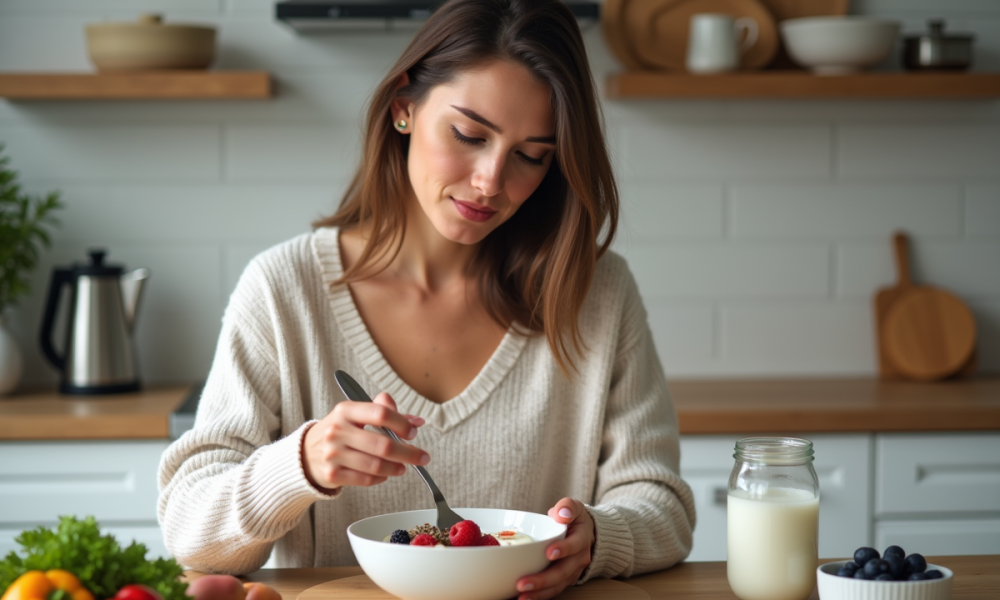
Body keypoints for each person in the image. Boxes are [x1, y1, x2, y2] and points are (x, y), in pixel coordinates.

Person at [157, 1, 696, 598]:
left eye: (531, 155)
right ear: (403, 107)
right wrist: (301, 464)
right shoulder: (284, 290)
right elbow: (188, 531)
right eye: (469, 135)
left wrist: (597, 538)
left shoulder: (595, 291)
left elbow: (662, 505)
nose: (492, 180)